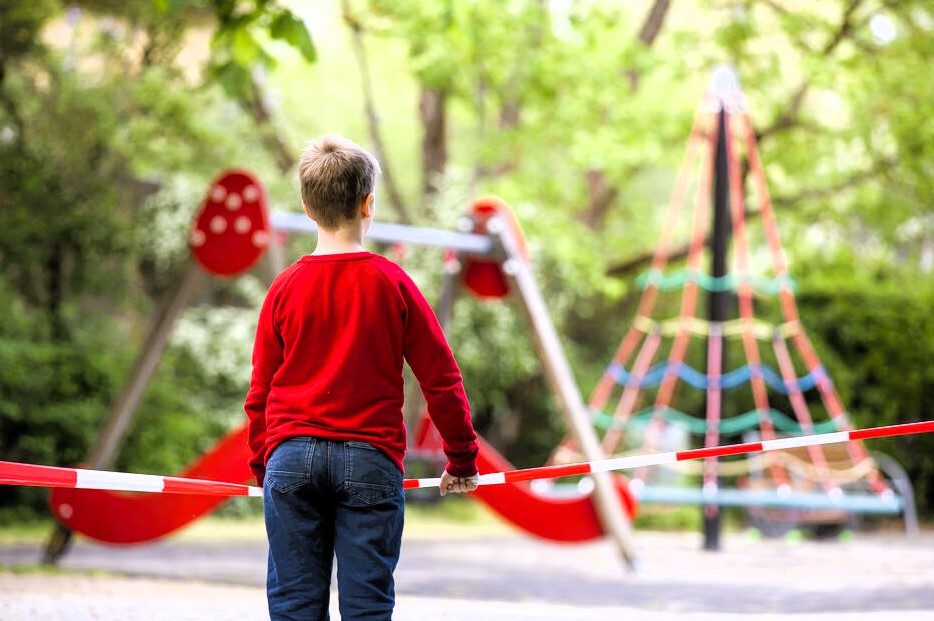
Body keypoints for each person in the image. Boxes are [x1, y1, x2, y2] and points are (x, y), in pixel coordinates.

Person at [244, 134, 480, 621]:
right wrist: (461, 457)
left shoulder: (284, 288)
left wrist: (262, 466)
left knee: (292, 605)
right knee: (367, 607)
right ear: (369, 204)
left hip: (290, 457)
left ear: (307, 208)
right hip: (370, 460)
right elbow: (441, 379)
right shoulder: (393, 283)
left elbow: (261, 391)